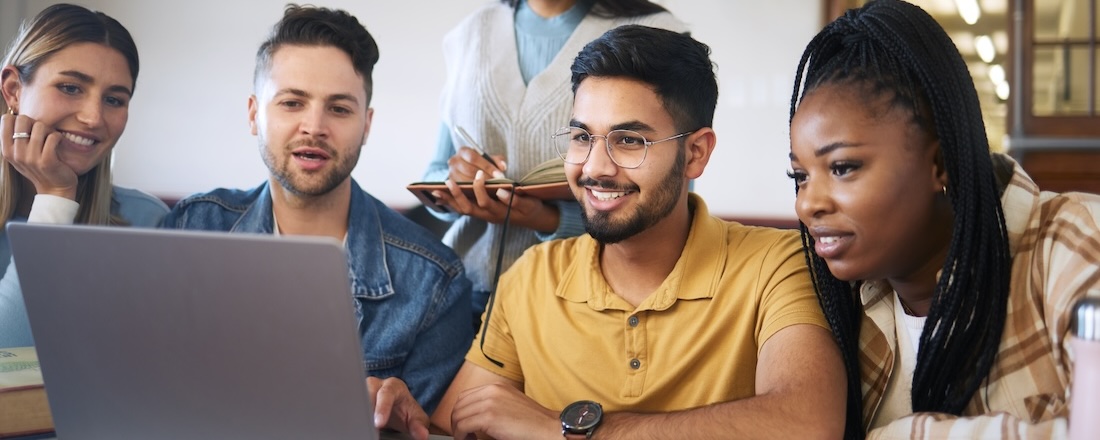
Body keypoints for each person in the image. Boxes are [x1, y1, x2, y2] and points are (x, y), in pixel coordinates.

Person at [426, 25, 847, 439]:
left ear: (695, 154)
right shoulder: (531, 275)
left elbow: (807, 422)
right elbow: (457, 417)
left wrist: (564, 430)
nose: (594, 168)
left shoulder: (779, 263)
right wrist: (399, 410)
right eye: (581, 137)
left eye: (629, 141)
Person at [787, 1, 1100, 438]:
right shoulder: (832, 297)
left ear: (941, 164)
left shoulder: (1072, 239)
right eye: (799, 176)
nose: (807, 205)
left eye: (842, 167)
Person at [158, 5, 472, 437]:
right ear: (254, 113)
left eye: (339, 109)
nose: (314, 126)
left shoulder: (435, 283)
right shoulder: (192, 227)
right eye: (292, 102)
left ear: (366, 125)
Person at [422, 0, 688, 323]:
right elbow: (436, 172)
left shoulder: (656, 32)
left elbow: (670, 191)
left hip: (591, 298)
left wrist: (550, 220)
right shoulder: (470, 34)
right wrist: (459, 177)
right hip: (466, 291)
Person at [0, 4, 168, 348]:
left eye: (114, 99)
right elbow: (10, 355)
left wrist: (55, 193)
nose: (93, 117)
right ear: (14, 89)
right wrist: (55, 198)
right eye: (71, 88)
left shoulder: (147, 222)